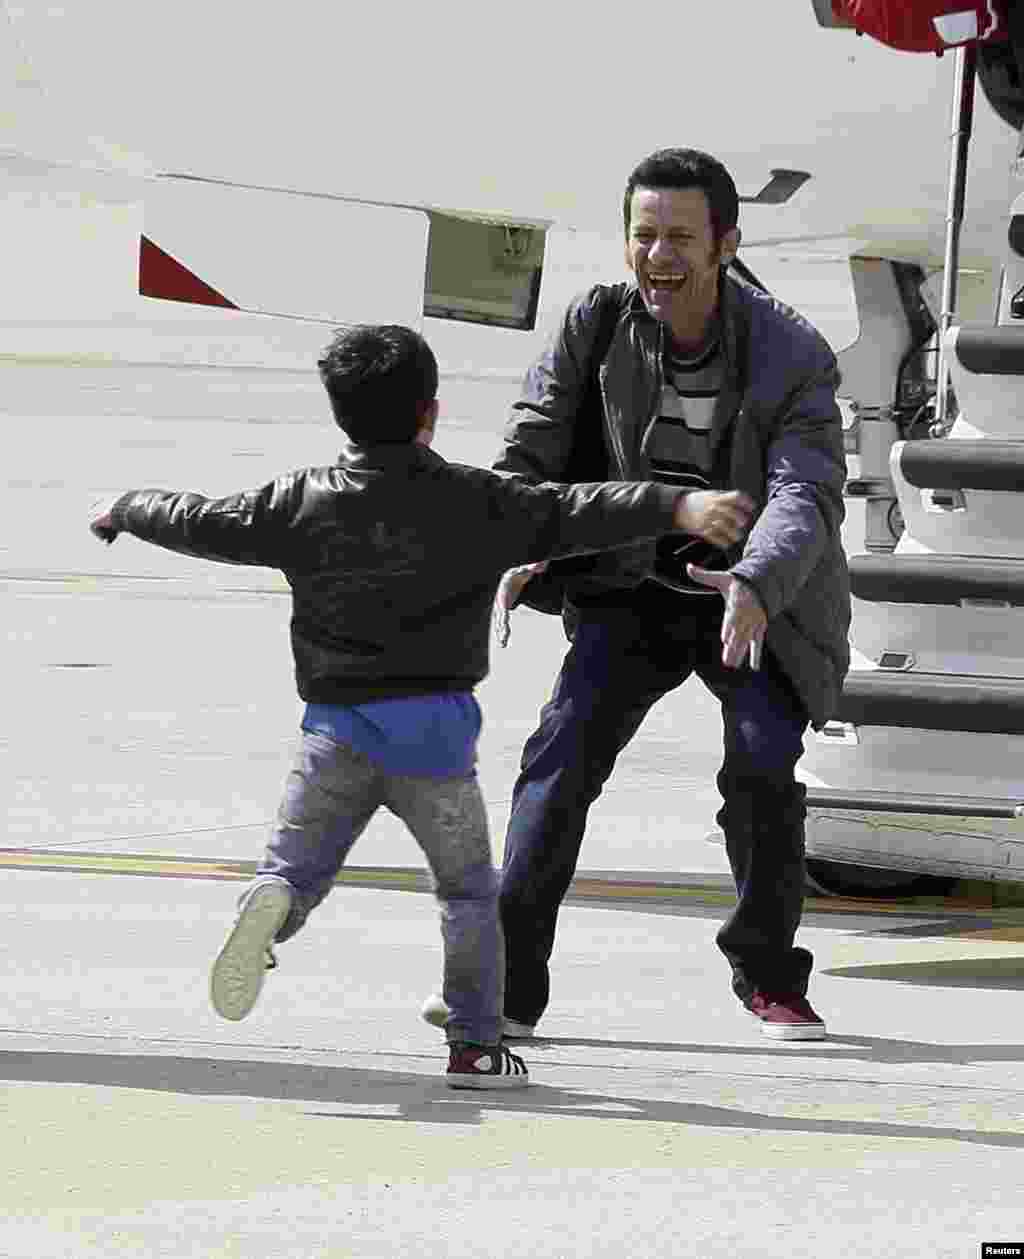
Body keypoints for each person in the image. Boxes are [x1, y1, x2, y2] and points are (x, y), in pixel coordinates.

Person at [88, 322, 754, 1087]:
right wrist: (677, 506)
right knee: (468, 893)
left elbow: (199, 518)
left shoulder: (297, 502)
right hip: (435, 736)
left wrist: (125, 506)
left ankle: (276, 899)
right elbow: (577, 509)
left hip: (335, 731)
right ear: (429, 412)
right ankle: (474, 1044)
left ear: (339, 412)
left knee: (298, 866)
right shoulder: (477, 501)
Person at [477, 148, 850, 1042]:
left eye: (679, 237)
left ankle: (769, 977)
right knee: (558, 764)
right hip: (631, 582)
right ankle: (506, 983)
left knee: (763, 770)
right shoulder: (595, 323)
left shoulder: (790, 349)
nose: (657, 256)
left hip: (754, 588)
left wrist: (756, 580)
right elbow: (530, 448)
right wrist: (514, 541)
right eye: (642, 235)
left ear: (726, 242)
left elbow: (806, 492)